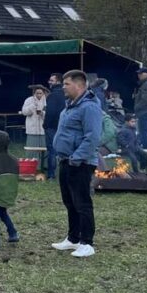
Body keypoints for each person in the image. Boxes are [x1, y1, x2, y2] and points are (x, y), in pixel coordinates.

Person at [51, 70, 102, 258]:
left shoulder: (89, 107)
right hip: (65, 160)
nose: (63, 87)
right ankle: (73, 238)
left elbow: (93, 136)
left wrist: (76, 158)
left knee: (82, 203)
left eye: (66, 84)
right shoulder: (69, 107)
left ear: (79, 85)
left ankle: (87, 242)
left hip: (80, 162)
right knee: (69, 202)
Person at [43, 73, 65, 180]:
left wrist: (45, 125)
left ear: (58, 82)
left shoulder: (52, 95)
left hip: (52, 126)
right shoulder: (66, 94)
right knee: (63, 150)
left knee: (52, 150)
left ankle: (51, 174)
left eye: (52, 80)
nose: (49, 82)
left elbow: (50, 112)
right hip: (63, 125)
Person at [21, 85, 48, 172]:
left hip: (43, 129)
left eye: (40, 93)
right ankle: (31, 166)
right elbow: (24, 112)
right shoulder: (29, 100)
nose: (39, 95)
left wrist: (42, 113)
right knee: (32, 149)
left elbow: (50, 114)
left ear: (43, 93)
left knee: (44, 149)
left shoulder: (47, 100)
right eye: (37, 93)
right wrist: (32, 107)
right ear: (34, 93)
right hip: (32, 129)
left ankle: (44, 166)